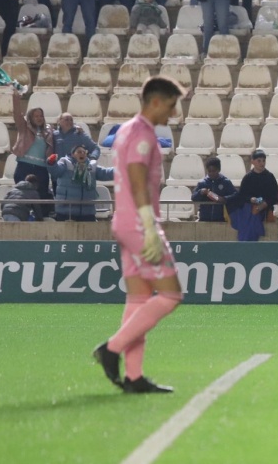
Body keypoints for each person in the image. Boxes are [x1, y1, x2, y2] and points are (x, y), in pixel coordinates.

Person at [90, 76, 186, 394]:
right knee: (171, 295)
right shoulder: (143, 134)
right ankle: (112, 349)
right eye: (172, 106)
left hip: (123, 220)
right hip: (138, 224)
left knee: (139, 299)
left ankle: (133, 377)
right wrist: (150, 228)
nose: (173, 113)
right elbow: (136, 176)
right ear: (155, 101)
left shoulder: (125, 130)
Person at [12, 91, 55, 211]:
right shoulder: (24, 128)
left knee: (42, 197)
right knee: (22, 197)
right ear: (31, 117)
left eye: (41, 115)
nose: (39, 118)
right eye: (36, 116)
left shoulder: (49, 130)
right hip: (24, 166)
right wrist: (16, 99)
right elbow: (16, 115)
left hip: (41, 168)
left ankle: (43, 220)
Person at [47, 144, 113, 221]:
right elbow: (55, 171)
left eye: (84, 152)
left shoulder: (91, 167)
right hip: (66, 213)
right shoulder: (65, 163)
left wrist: (121, 169)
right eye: (79, 152)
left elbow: (106, 173)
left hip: (88, 213)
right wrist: (51, 163)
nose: (82, 153)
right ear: (72, 155)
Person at [229, 149, 278, 241]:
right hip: (250, 207)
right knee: (247, 213)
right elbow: (242, 195)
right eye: (259, 161)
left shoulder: (269, 177)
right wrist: (251, 199)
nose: (262, 163)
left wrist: (265, 204)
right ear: (253, 162)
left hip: (265, 208)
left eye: (263, 160)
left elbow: (275, 196)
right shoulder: (248, 177)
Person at [191, 156, 236, 222]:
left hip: (221, 219)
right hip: (204, 219)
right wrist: (200, 192)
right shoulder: (202, 183)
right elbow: (193, 198)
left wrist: (224, 198)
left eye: (214, 171)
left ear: (219, 170)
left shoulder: (225, 182)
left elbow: (235, 194)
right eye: (209, 171)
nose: (211, 173)